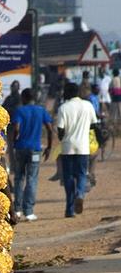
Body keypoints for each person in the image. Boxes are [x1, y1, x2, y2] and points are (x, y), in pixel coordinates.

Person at [57, 82, 98, 217]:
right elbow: (94, 126)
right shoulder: (88, 105)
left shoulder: (63, 108)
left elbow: (60, 130)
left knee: (68, 177)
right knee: (81, 174)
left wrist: (62, 138)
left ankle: (69, 210)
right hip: (83, 147)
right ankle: (80, 194)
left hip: (68, 147)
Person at [12, 88, 52, 221]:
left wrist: (14, 141)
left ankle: (17, 210)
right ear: (34, 98)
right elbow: (50, 129)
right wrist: (49, 147)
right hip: (35, 149)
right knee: (32, 178)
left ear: (23, 98)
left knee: (19, 178)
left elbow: (16, 128)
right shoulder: (41, 111)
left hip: (21, 148)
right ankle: (29, 211)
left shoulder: (19, 110)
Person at [3, 80, 21, 173]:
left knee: (17, 148)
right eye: (12, 86)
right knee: (10, 148)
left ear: (18, 88)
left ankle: (18, 167)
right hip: (10, 127)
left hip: (17, 126)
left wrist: (9, 109)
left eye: (15, 86)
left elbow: (17, 110)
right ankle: (13, 167)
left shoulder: (20, 98)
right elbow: (3, 108)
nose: (13, 88)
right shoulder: (9, 98)